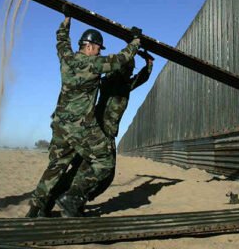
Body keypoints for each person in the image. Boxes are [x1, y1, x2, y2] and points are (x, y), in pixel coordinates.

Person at [26, 15, 141, 218]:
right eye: (98, 48)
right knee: (105, 162)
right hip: (80, 127)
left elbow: (61, 42)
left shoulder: (67, 58)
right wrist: (135, 42)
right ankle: (72, 198)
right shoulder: (94, 65)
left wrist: (65, 23)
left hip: (59, 125)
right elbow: (120, 59)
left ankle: (36, 209)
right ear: (89, 46)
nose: (98, 51)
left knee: (56, 166)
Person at [41, 50, 154, 214]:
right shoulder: (109, 82)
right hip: (98, 133)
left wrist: (149, 64)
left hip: (106, 134)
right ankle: (69, 199)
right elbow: (116, 67)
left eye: (131, 70)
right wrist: (129, 55)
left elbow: (141, 78)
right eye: (128, 69)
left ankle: (64, 201)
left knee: (86, 171)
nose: (130, 72)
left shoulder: (125, 85)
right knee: (99, 172)